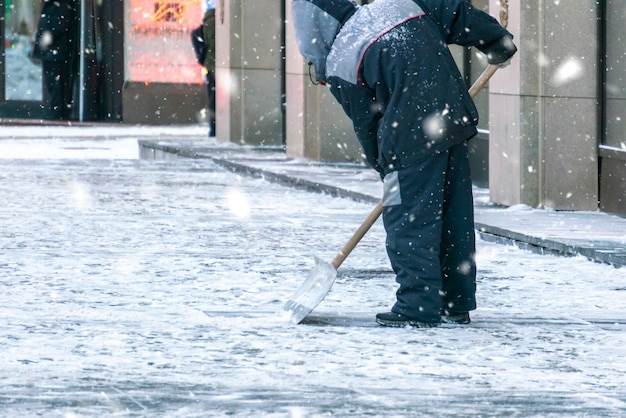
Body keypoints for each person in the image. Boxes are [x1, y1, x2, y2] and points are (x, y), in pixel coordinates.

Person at [292, 0, 517, 327]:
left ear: (314, 35)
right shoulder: (398, 5)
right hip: (452, 120)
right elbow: (454, 12)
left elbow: (367, 125)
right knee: (453, 219)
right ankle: (455, 302)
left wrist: (386, 169)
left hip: (409, 139)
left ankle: (418, 305)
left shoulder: (342, 58)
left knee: (409, 224)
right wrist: (496, 40)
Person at [32, 0, 76, 120]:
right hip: (54, 52)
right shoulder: (56, 5)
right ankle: (57, 111)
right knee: (54, 84)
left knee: (56, 84)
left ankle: (57, 112)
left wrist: (48, 35)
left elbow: (60, 24)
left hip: (55, 53)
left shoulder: (59, 5)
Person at [191, 8, 216, 137]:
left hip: (212, 65)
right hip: (214, 66)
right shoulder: (212, 22)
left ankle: (214, 127)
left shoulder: (210, 21)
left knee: (213, 96)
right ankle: (214, 127)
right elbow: (213, 42)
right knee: (214, 98)